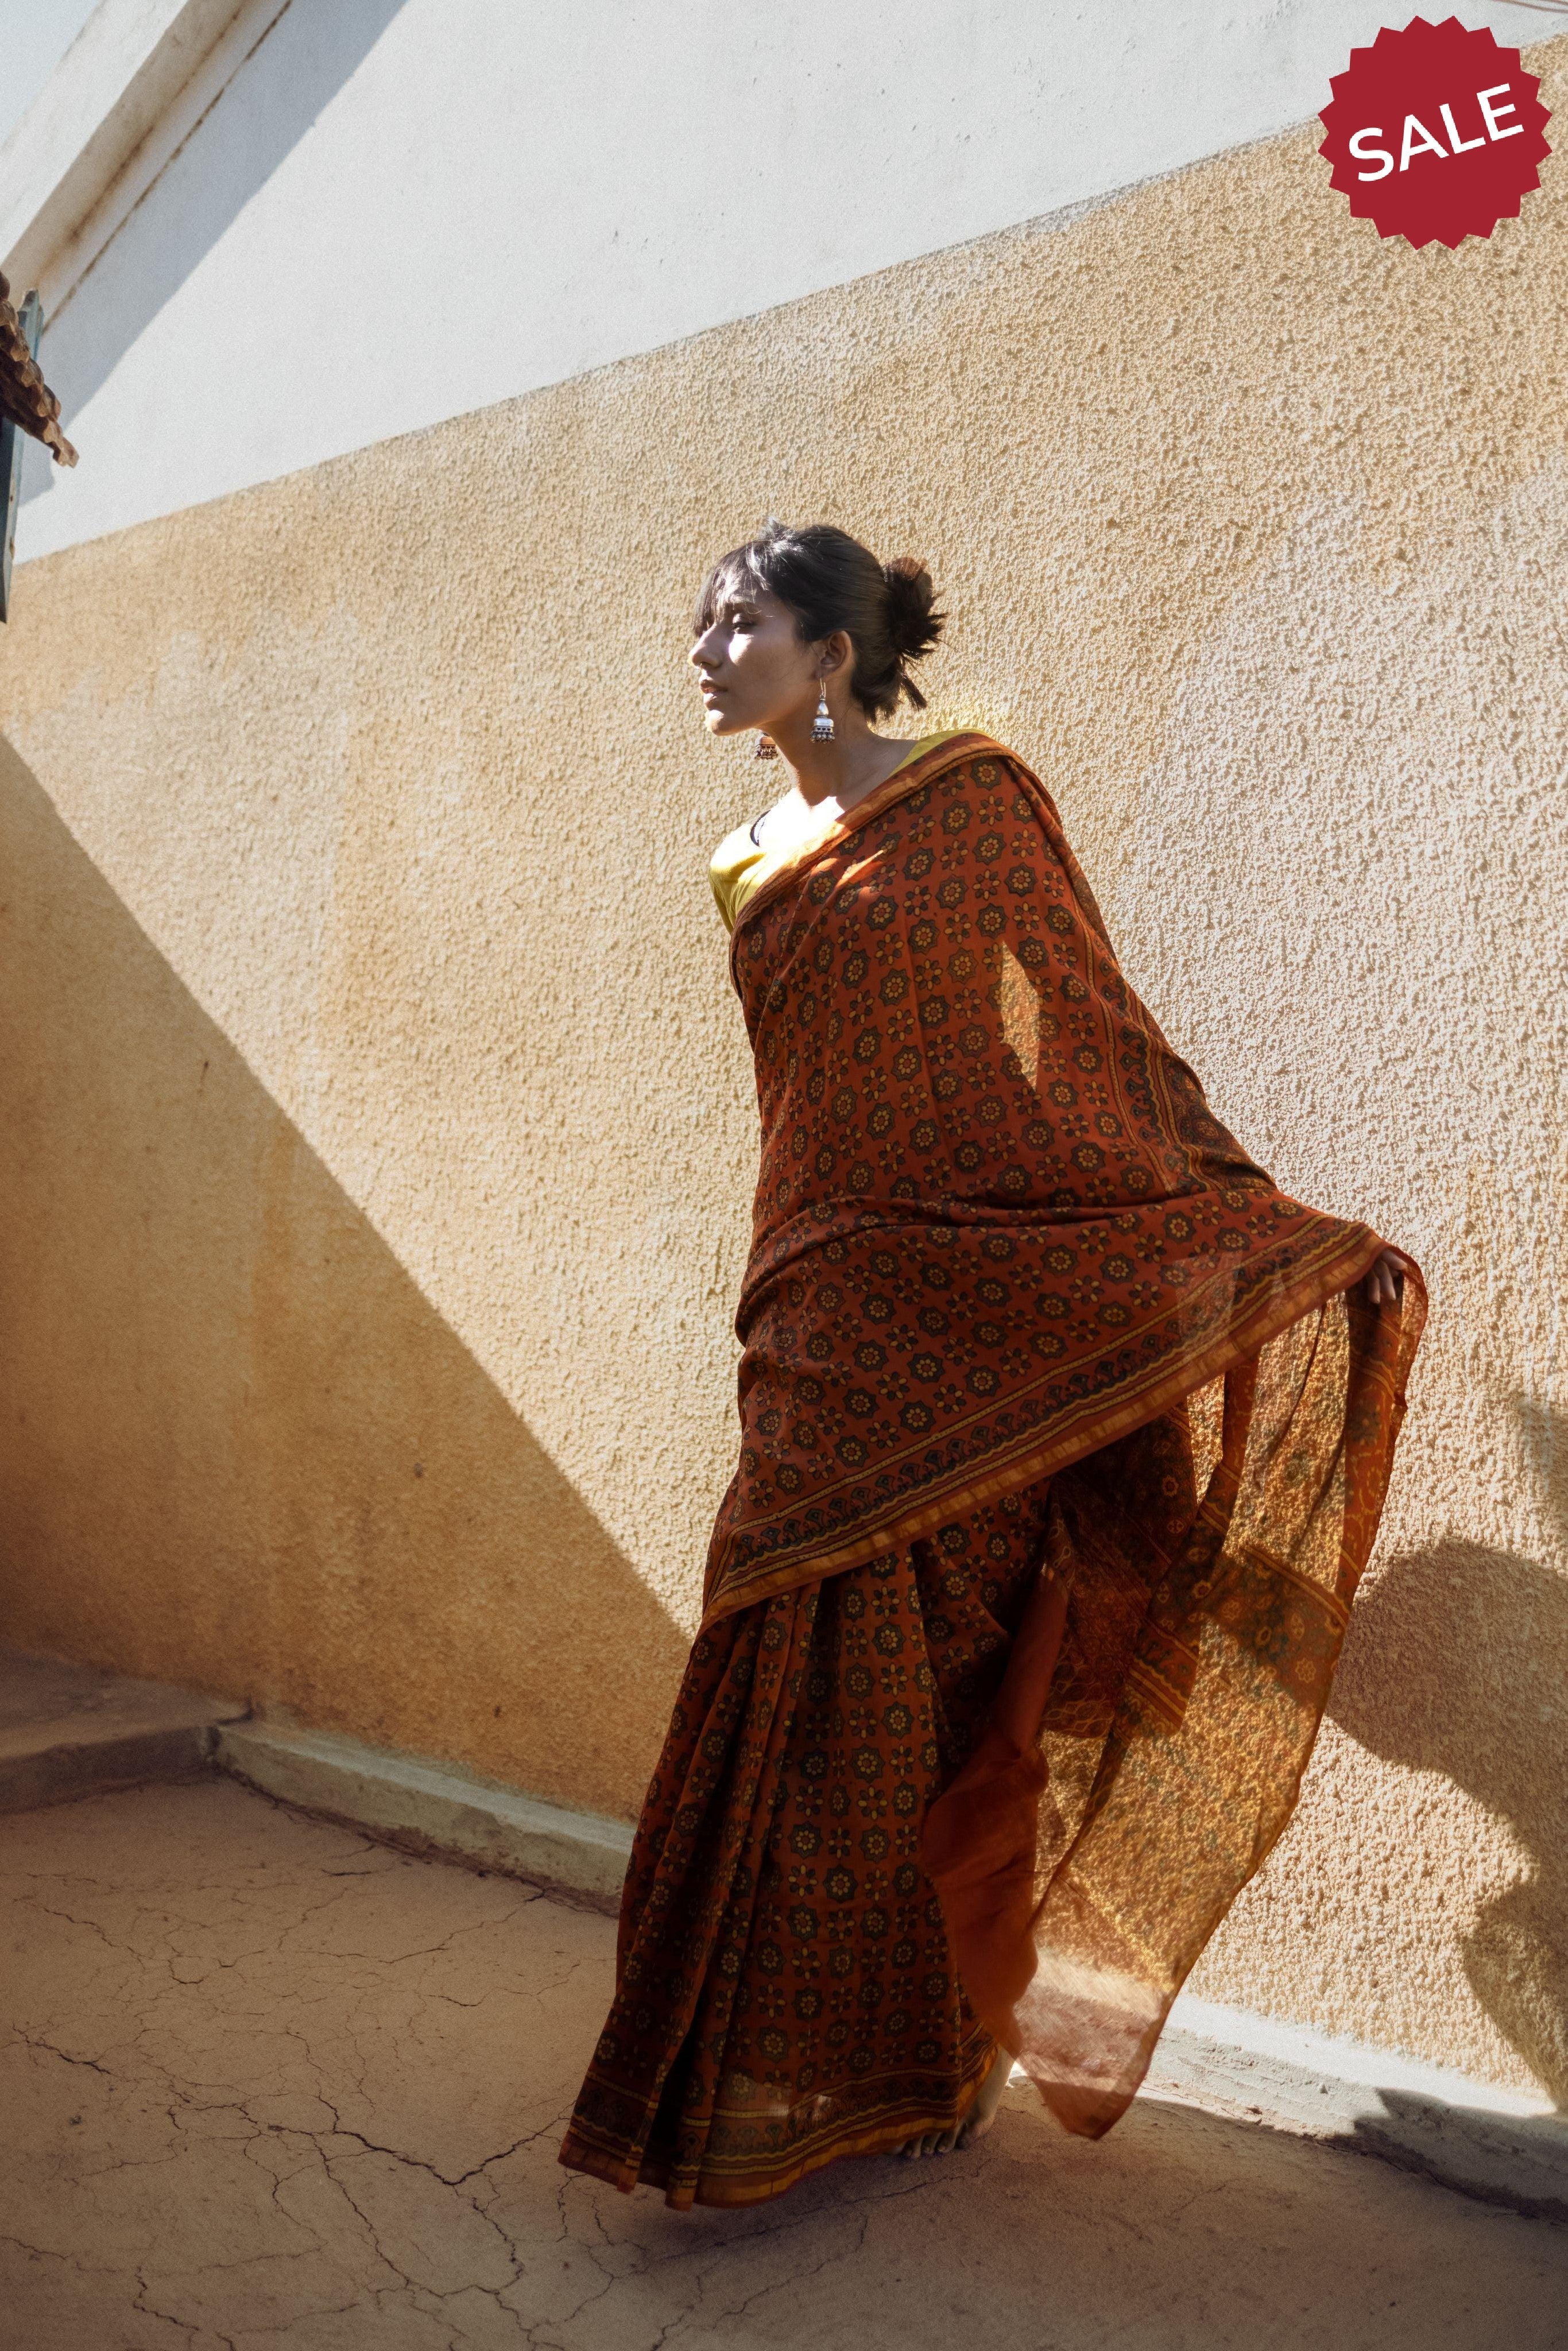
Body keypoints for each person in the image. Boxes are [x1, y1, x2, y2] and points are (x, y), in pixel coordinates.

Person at [559, 521, 1423, 2210]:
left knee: (937, 1684)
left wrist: (1229, 1212)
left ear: (829, 649)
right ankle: (740, 2075)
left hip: (973, 1305)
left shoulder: (969, 797)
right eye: (699, 623)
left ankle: (918, 2067)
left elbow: (1089, 1022)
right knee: (774, 1647)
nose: (705, 647)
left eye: (737, 621)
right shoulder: (742, 860)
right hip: (823, 1294)